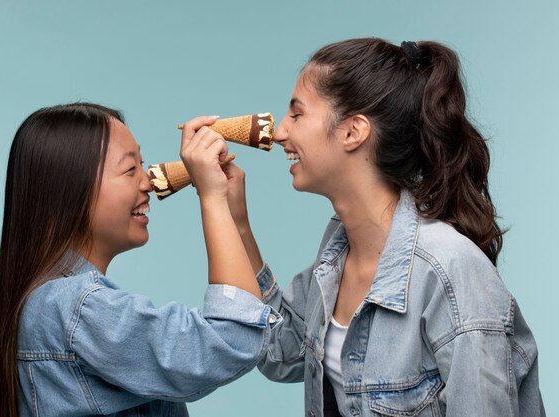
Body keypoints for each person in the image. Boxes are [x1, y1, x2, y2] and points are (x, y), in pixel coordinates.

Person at [227, 38, 545, 416]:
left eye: (296, 115)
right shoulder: (338, 251)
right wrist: (236, 222)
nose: (279, 133)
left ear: (353, 131)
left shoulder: (451, 273)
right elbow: (280, 351)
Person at [0, 103, 280, 417]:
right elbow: (235, 336)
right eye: (129, 169)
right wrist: (212, 199)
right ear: (71, 189)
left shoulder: (55, 303)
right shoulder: (75, 309)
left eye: (142, 164)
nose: (148, 182)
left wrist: (235, 219)